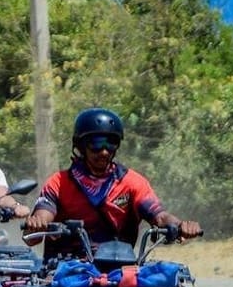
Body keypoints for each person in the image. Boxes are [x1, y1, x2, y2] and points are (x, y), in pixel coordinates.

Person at [23, 107, 201, 264]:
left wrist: (180, 225)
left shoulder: (131, 182)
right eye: (96, 144)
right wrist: (37, 223)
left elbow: (160, 217)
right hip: (66, 272)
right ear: (81, 146)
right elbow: (40, 221)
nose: (104, 151)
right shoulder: (59, 182)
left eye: (111, 143)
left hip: (117, 270)